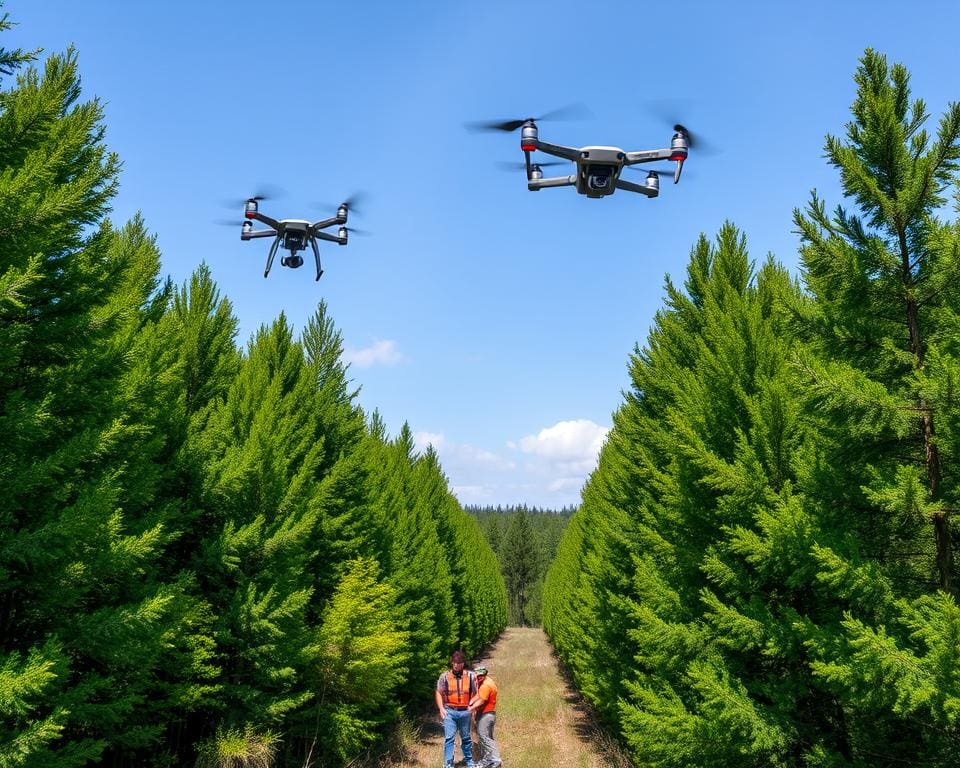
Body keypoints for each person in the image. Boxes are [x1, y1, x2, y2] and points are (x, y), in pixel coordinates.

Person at [435, 650, 479, 768]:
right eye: (454, 662)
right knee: (449, 738)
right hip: (449, 711)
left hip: (465, 712)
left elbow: (476, 693)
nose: (456, 665)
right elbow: (439, 692)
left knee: (466, 738)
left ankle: (469, 761)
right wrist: (441, 708)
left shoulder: (471, 676)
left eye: (459, 663)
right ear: (452, 663)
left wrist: (472, 706)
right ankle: (448, 763)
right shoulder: (444, 676)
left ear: (463, 664)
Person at [468, 665, 501, 768]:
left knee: (484, 736)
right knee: (487, 737)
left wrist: (470, 708)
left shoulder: (486, 685)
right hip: (489, 714)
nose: (479, 678)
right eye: (477, 676)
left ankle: (495, 759)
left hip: (486, 715)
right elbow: (479, 695)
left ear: (485, 674)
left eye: (481, 675)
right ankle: (488, 760)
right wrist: (471, 701)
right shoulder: (488, 682)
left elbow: (482, 700)